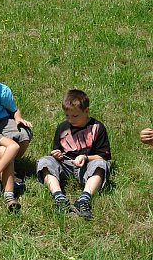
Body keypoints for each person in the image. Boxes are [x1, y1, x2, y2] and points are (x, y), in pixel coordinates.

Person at [36, 90, 111, 220]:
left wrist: (86, 158)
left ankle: (84, 199)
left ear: (86, 111)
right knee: (44, 161)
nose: (70, 120)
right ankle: (59, 197)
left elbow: (103, 156)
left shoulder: (98, 127)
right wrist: (57, 155)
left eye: (75, 116)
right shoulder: (62, 127)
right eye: (67, 116)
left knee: (101, 164)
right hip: (65, 164)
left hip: (87, 165)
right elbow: (57, 151)